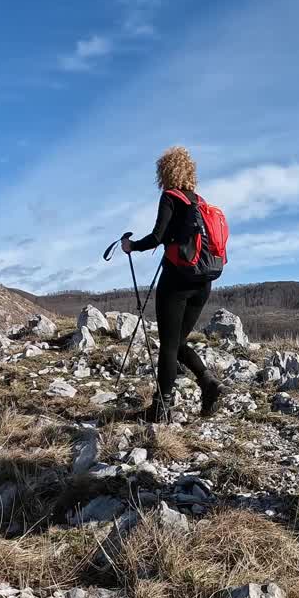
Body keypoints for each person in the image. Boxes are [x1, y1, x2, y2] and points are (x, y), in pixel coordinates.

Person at [122, 146, 222, 421]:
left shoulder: (170, 197)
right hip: (204, 280)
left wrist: (131, 246)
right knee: (178, 342)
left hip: (176, 281)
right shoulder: (199, 202)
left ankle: (161, 408)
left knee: (168, 345)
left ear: (164, 172)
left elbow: (157, 237)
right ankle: (208, 383)